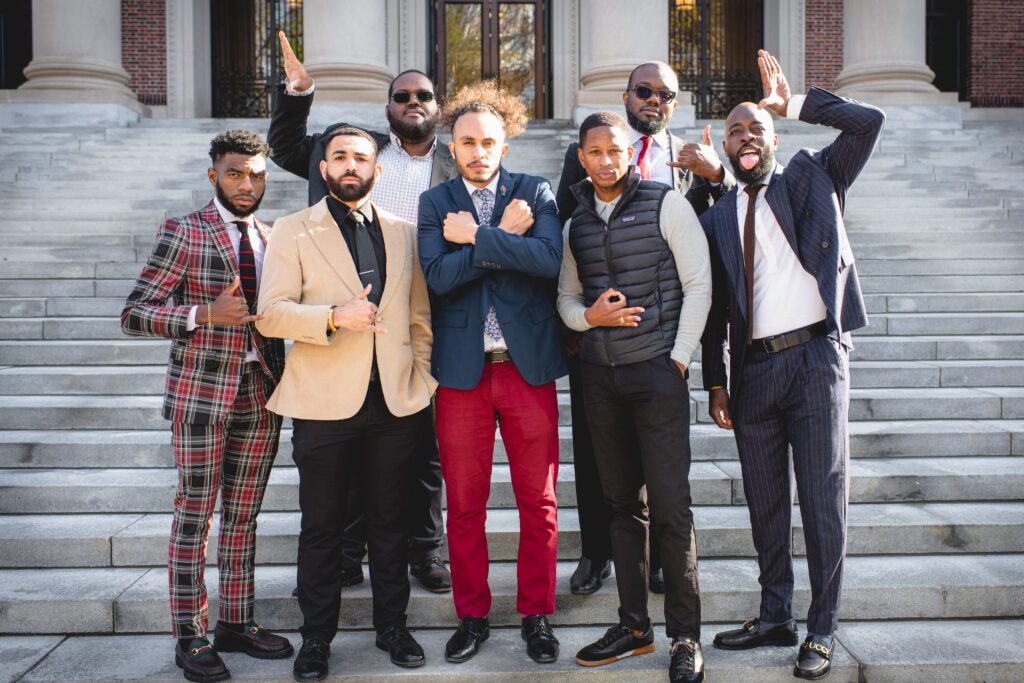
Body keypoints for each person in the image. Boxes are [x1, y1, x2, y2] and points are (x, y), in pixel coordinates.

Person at [701, 50, 884, 680]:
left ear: (775, 137)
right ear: (725, 147)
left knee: (823, 498)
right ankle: (775, 612)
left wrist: (795, 103)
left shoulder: (813, 176)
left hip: (814, 360)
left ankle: (823, 627)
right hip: (754, 373)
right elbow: (717, 307)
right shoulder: (720, 214)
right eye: (734, 131)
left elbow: (868, 123)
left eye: (755, 127)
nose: (744, 136)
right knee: (765, 499)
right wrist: (718, 380)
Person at [267, 31, 452, 593]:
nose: (412, 102)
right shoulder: (356, 152)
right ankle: (347, 553)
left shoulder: (456, 162)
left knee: (424, 454)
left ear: (436, 107)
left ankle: (426, 551)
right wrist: (299, 94)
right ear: (388, 110)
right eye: (402, 96)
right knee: (345, 445)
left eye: (422, 95)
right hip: (346, 315)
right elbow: (285, 147)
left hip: (430, 312)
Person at [256, 127, 438, 680]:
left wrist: (422, 377)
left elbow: (418, 318)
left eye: (361, 157)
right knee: (322, 527)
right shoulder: (292, 229)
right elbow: (271, 314)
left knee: (390, 523)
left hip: (395, 402)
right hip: (323, 405)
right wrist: (334, 317)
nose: (351, 164)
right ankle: (316, 640)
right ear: (324, 168)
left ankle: (392, 627)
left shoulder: (405, 232)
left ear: (377, 170)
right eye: (340, 157)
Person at [554, 60, 733, 596]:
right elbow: (568, 226)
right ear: (627, 95)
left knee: (657, 460)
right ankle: (595, 553)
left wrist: (716, 176)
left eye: (665, 94)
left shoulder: (687, 161)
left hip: (661, 340)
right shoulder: (586, 151)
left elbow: (715, 240)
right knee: (595, 453)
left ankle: (658, 557)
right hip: (598, 337)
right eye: (644, 90)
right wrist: (581, 320)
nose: (653, 99)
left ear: (674, 104)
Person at [121, 130, 292, 683]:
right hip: (200, 396)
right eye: (236, 173)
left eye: (257, 174)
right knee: (195, 518)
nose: (248, 183)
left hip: (263, 394)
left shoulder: (273, 237)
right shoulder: (184, 231)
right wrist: (200, 314)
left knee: (243, 517)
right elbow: (135, 313)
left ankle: (237, 623)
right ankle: (190, 636)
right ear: (213, 174)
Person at [557, 111, 711, 683]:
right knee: (622, 506)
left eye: (615, 150)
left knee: (671, 507)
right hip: (601, 378)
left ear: (631, 154)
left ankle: (685, 638)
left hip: (656, 373)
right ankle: (633, 626)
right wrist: (587, 318)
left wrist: (679, 357)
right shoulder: (575, 222)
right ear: (582, 157)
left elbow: (699, 284)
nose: (606, 160)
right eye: (595, 151)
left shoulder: (665, 203)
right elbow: (566, 299)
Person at [417, 81, 566, 665]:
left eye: (489, 142)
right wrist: (505, 240)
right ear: (451, 147)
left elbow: (549, 262)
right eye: (467, 142)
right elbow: (437, 277)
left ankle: (537, 615)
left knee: (540, 501)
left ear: (506, 144)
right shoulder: (435, 203)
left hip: (527, 371)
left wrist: (478, 236)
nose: (478, 151)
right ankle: (472, 615)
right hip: (463, 376)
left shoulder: (535, 191)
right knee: (465, 504)